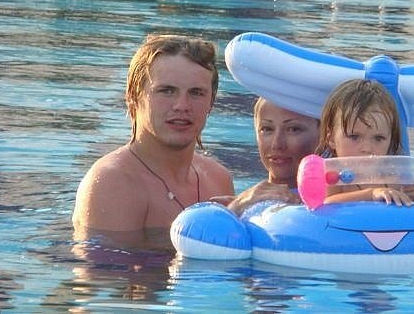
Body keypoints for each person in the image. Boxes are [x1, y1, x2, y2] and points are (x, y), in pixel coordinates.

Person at [72, 34, 234, 247]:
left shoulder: (217, 179)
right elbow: (103, 268)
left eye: (196, 93)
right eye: (167, 91)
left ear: (211, 102)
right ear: (133, 97)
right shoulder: (112, 184)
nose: (182, 105)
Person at [315, 79, 414, 206]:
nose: (367, 148)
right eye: (354, 137)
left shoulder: (399, 176)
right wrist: (371, 194)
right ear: (331, 138)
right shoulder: (331, 177)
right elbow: (323, 206)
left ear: (390, 139)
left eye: (378, 138)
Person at [227, 97, 319, 216]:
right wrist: (236, 207)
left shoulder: (334, 203)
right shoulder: (244, 203)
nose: (277, 144)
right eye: (267, 129)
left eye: (293, 129)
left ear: (325, 135)